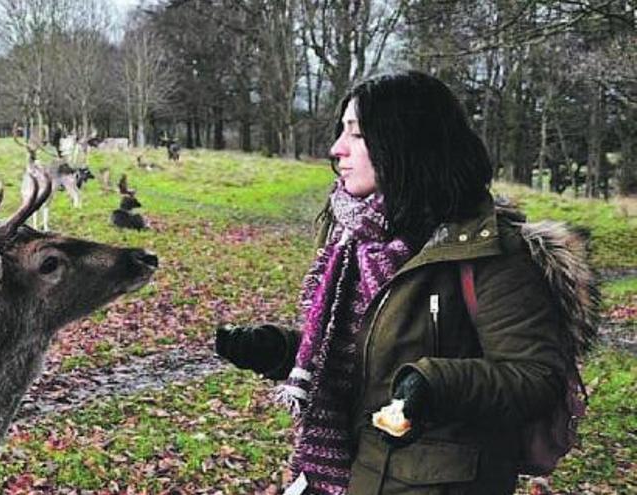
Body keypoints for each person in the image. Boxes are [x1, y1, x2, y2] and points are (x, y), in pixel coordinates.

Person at [215, 71, 590, 495]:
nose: (336, 149)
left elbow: (537, 376)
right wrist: (284, 351)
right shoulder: (356, 237)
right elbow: (368, 355)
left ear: (405, 143)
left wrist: (436, 384)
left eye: (356, 135)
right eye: (341, 132)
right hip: (350, 477)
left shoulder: (489, 255)